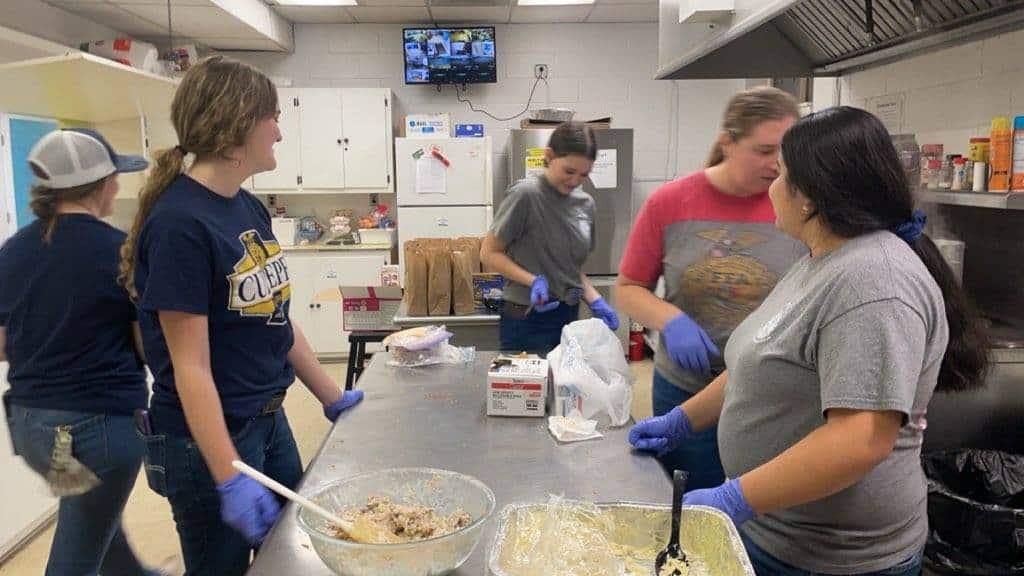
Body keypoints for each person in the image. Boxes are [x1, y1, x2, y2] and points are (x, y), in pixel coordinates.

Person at [630, 107, 990, 575]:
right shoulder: (820, 260)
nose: (771, 188)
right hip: (777, 533)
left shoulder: (873, 280)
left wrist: (735, 496)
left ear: (810, 199)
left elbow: (859, 439)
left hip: (833, 559)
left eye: (780, 176)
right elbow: (760, 362)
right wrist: (682, 420)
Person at [119, 56, 364, 576]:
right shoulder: (180, 225)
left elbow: (275, 319)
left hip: (268, 421)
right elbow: (191, 367)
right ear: (234, 129)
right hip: (207, 440)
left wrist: (331, 395)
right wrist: (228, 473)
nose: (279, 128)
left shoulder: (246, 207)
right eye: (270, 117)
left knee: (290, 559)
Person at [617, 87, 804, 489]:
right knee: (688, 507)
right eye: (764, 150)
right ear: (727, 142)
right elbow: (629, 288)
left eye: (785, 153)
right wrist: (671, 321)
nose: (776, 165)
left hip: (770, 397)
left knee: (758, 513)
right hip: (686, 392)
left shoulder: (801, 205)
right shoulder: (670, 202)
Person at [0, 129, 162, 575]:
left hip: (32, 428)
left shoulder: (13, 250)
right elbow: (146, 348)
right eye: (115, 178)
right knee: (77, 554)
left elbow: (0, 346)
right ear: (101, 185)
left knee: (94, 518)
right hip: (98, 429)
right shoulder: (119, 251)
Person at [481, 121, 618, 355]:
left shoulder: (585, 205)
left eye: (584, 174)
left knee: (563, 388)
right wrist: (533, 280)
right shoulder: (526, 195)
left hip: (567, 314)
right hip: (525, 314)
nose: (575, 181)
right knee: (526, 388)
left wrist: (594, 299)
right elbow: (489, 254)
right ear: (549, 156)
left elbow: (571, 269)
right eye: (569, 171)